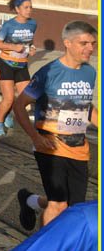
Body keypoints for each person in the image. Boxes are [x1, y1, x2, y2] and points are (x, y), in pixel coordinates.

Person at [13, 21, 96, 230]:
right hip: (50, 144)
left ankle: (30, 201)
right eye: (83, 43)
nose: (90, 48)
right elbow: (19, 105)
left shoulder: (89, 72)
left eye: (93, 43)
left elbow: (85, 104)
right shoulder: (48, 72)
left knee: (73, 208)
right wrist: (35, 137)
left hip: (78, 147)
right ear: (67, 43)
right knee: (58, 204)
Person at [0, 0, 37, 136]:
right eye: (26, 7)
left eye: (30, 7)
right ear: (17, 9)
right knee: (9, 97)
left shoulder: (33, 24)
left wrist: (32, 47)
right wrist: (12, 46)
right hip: (5, 63)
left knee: (27, 97)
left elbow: (29, 41)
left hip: (22, 64)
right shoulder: (9, 25)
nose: (29, 10)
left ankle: (8, 113)